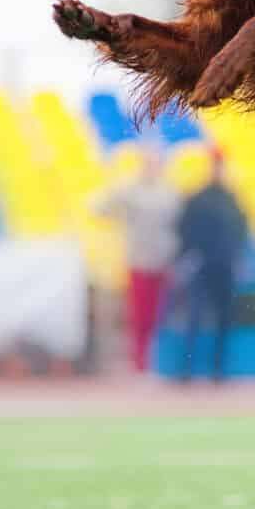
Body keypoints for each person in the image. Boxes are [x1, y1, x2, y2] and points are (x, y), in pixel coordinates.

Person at [92, 148, 181, 372]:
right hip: (139, 261)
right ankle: (140, 361)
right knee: (140, 315)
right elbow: (100, 208)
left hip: (163, 262)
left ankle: (157, 360)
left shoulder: (170, 193)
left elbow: (179, 225)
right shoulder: (130, 190)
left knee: (159, 316)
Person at [173, 147, 248, 381]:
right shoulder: (198, 197)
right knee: (194, 317)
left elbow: (241, 230)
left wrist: (236, 257)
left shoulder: (230, 198)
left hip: (223, 265)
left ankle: (218, 369)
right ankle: (187, 369)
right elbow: (184, 229)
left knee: (223, 317)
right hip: (202, 263)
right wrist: (189, 255)